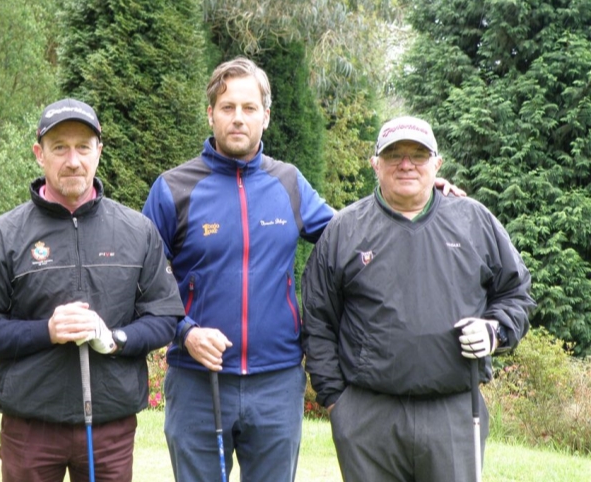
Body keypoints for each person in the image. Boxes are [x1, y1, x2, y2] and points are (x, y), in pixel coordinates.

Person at [142, 58, 465, 482]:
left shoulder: (289, 183)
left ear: (266, 116)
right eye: (227, 107)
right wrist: (184, 331)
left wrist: (417, 193)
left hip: (276, 383)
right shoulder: (173, 188)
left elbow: (355, 235)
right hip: (197, 383)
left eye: (249, 107)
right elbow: (146, 278)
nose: (238, 118)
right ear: (210, 114)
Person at [0, 98, 186, 482]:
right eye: (60, 147)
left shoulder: (137, 232)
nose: (73, 160)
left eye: (83, 147)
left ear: (99, 151)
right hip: (30, 426)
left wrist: (115, 338)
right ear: (39, 154)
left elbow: (164, 316)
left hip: (109, 427)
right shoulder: (3, 236)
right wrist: (47, 331)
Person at [301, 115, 536, 481]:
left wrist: (495, 331)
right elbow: (318, 320)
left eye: (419, 154)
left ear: (437, 164)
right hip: (366, 416)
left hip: (454, 413)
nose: (406, 163)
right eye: (394, 154)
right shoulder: (343, 230)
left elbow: (516, 293)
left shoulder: (474, 220)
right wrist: (336, 401)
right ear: (375, 164)